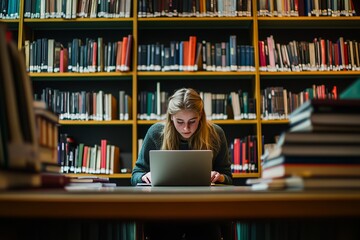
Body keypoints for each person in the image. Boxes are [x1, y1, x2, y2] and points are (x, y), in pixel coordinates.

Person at [131, 88, 233, 240]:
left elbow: (229, 179)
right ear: (171, 118)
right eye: (180, 121)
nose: (186, 128)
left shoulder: (216, 134)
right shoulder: (155, 133)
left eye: (192, 121)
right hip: (164, 210)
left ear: (201, 117)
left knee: (210, 231)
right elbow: (135, 175)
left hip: (203, 211)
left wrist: (220, 178)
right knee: (160, 230)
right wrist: (145, 176)